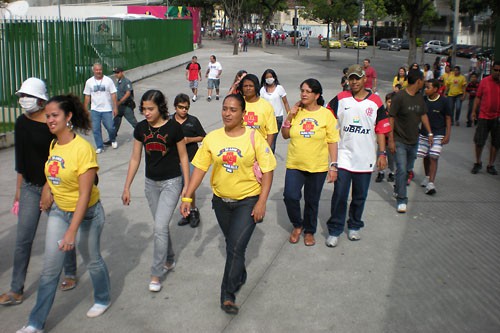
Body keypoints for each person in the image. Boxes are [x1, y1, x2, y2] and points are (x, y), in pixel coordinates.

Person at [17, 94, 111, 333]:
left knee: (92, 260)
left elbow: (84, 194)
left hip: (87, 213)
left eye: (54, 115)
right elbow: (53, 170)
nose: (49, 120)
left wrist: (71, 232)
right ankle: (35, 324)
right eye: (47, 116)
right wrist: (48, 188)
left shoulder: (83, 149)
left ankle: (102, 297)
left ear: (68, 117)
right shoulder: (54, 144)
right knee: (50, 269)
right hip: (59, 211)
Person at [179, 94, 276, 315]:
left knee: (234, 247)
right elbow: (200, 170)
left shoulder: (254, 138)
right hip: (221, 202)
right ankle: (239, 274)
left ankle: (227, 295)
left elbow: (268, 170)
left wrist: (261, 202)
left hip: (248, 200)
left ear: (243, 114)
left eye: (233, 110)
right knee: (234, 245)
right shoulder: (212, 138)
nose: (227, 113)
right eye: (224, 109)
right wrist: (187, 196)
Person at [0, 79, 77, 307]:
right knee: (22, 240)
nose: (23, 99)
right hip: (30, 188)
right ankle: (16, 290)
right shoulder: (21, 123)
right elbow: (20, 161)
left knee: (62, 234)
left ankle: (70, 273)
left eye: (28, 95)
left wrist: (50, 189)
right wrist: (18, 190)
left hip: (55, 187)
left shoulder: (53, 124)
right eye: (21, 95)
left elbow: (63, 157)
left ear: (42, 99)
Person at [122, 90, 190, 292]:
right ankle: (169, 258)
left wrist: (186, 186)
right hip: (150, 184)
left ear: (161, 108)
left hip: (172, 183)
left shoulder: (174, 128)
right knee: (161, 226)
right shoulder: (141, 128)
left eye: (150, 109)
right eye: (143, 109)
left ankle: (156, 273)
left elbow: (183, 157)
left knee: (159, 228)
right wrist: (127, 186)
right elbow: (135, 158)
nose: (146, 113)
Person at [325, 64, 390, 247]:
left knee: (359, 196)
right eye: (350, 78)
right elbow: (325, 116)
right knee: (339, 195)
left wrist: (382, 153)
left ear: (364, 79)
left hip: (365, 158)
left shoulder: (376, 102)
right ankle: (335, 229)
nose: (353, 82)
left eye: (357, 78)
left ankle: (354, 225)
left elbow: (381, 129)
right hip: (344, 157)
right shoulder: (341, 99)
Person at [282, 78, 339, 246]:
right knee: (290, 196)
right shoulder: (296, 111)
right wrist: (290, 116)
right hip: (295, 164)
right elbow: (285, 135)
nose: (303, 94)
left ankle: (309, 230)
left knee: (312, 200)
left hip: (317, 166)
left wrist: (333, 165)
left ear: (317, 95)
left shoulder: (326, 114)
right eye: (302, 91)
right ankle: (297, 225)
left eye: (308, 91)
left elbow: (332, 141)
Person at [389, 69, 433, 213]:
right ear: (418, 81)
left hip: (414, 140)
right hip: (399, 139)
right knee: (401, 169)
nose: (424, 83)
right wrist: (391, 139)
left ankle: (397, 186)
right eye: (423, 81)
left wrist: (430, 133)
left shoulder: (420, 98)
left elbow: (423, 115)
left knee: (407, 169)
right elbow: (391, 118)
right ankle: (402, 199)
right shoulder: (399, 97)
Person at [171, 93, 206, 227]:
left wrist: (189, 140)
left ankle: (193, 210)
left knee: (189, 187)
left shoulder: (193, 121)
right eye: (181, 107)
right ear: (175, 107)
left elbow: (203, 136)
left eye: (186, 107)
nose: (184, 110)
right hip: (174, 160)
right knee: (180, 188)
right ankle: (185, 212)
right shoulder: (169, 121)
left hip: (191, 158)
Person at [418, 79, 452, 195]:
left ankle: (431, 183)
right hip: (424, 133)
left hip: (438, 133)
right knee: (425, 156)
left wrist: (447, 135)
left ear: (436, 89)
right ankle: (427, 176)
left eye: (428, 87)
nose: (426, 89)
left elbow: (448, 118)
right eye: (425, 87)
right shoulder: (423, 100)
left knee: (434, 156)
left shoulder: (444, 101)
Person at [471, 60, 500, 175]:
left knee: (496, 143)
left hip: (497, 118)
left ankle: (491, 165)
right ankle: (478, 162)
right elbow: (478, 98)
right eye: (496, 70)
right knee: (479, 141)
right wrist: (473, 111)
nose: (498, 72)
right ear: (492, 69)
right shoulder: (484, 82)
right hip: (483, 116)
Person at [83, 63, 118, 154]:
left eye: (100, 70)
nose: (98, 71)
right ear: (93, 70)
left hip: (107, 109)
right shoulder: (89, 82)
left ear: (102, 70)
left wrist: (115, 107)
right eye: (96, 70)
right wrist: (85, 108)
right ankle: (99, 146)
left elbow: (113, 94)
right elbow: (87, 96)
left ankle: (112, 139)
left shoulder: (108, 80)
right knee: (96, 129)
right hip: (95, 109)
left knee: (110, 127)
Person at [239, 74, 278, 147]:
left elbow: (271, 132)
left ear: (256, 87)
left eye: (251, 86)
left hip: (260, 147)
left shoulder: (266, 106)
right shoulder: (238, 104)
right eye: (245, 86)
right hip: (241, 147)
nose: (248, 88)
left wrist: (266, 151)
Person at [259, 69, 291, 153]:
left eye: (271, 77)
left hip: (277, 117)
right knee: (265, 137)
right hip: (265, 118)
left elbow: (286, 103)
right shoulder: (262, 90)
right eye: (267, 77)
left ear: (274, 77)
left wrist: (290, 116)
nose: (269, 79)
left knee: (272, 138)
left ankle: (270, 155)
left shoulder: (279, 88)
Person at [109, 67, 137, 141]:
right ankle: (112, 139)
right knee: (115, 123)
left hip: (126, 106)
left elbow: (128, 93)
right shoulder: (118, 82)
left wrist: (120, 101)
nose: (116, 74)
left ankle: (143, 135)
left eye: (117, 73)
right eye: (115, 73)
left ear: (122, 72)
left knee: (133, 122)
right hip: (119, 106)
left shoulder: (126, 81)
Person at [375, 92, 397, 183]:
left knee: (392, 159)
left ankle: (392, 172)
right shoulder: (382, 113)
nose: (390, 104)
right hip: (382, 139)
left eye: (392, 102)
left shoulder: (397, 114)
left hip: (392, 141)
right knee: (380, 155)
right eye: (389, 102)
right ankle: (381, 172)